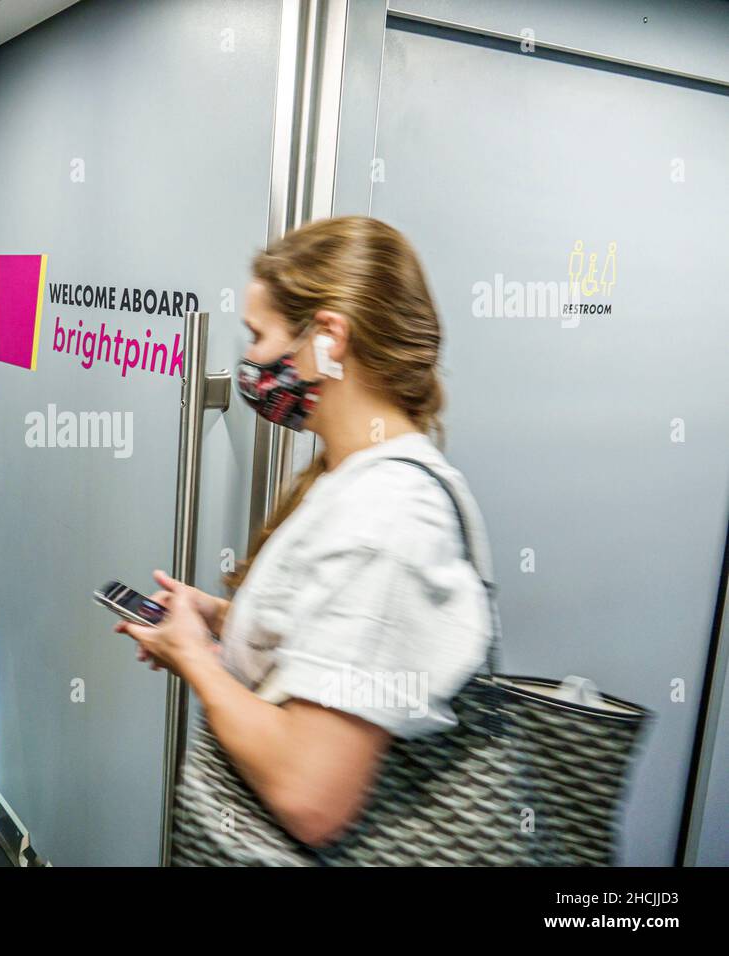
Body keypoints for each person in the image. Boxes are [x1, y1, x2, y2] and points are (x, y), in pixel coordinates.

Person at [115, 217, 493, 861]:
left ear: (328, 338)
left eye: (258, 335)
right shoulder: (357, 477)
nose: (252, 361)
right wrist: (220, 619)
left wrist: (198, 662)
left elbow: (310, 795)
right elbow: (335, 640)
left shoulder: (388, 517)